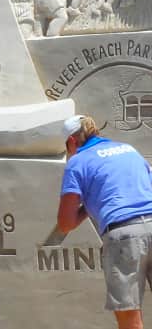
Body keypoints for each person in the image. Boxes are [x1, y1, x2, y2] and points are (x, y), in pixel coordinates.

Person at [56, 114, 152, 329]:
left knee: (130, 321)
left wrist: (89, 206)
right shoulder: (129, 150)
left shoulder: (78, 162)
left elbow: (65, 223)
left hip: (122, 236)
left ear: (71, 141)